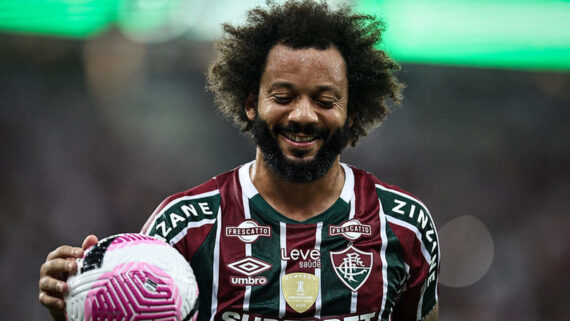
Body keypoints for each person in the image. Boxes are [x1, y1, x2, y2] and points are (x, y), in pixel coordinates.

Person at [38, 1, 440, 320]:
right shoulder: (184, 225)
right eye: (282, 97)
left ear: (351, 112)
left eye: (325, 100)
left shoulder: (404, 226)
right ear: (251, 103)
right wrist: (75, 308)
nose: (302, 115)